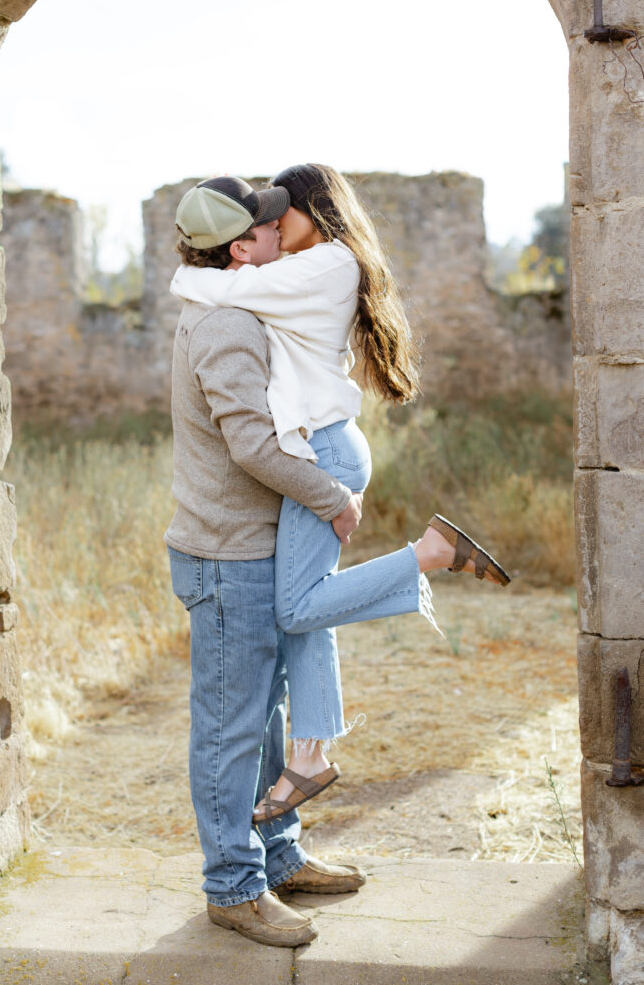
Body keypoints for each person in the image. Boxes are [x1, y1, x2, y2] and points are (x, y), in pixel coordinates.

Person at [170, 163, 511, 825]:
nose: (272, 223)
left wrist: (202, 261)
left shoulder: (324, 263)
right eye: (263, 218)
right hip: (319, 444)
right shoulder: (306, 268)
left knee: (295, 609)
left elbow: (197, 281)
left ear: (313, 212)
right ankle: (310, 756)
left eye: (280, 212)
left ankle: (430, 553)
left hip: (321, 450)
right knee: (305, 609)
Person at [165, 175, 368, 950]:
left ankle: (278, 858)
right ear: (239, 247)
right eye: (267, 228)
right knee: (229, 729)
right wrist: (331, 499)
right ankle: (233, 888)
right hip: (227, 554)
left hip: (256, 547)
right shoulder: (225, 327)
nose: (283, 235)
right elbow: (252, 447)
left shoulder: (238, 308)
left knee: (267, 718)